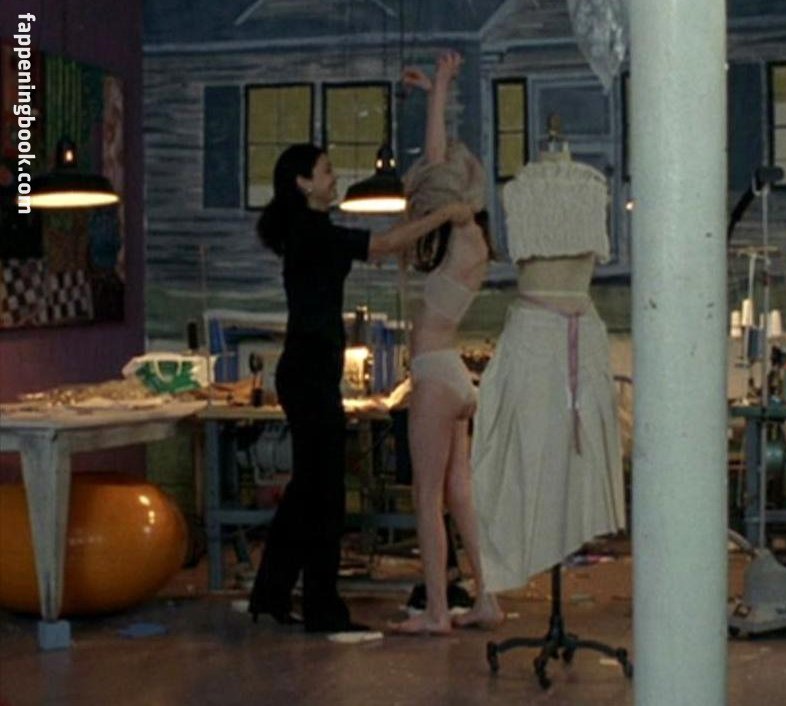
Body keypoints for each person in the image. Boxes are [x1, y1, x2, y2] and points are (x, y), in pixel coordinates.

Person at [249, 143, 472, 633]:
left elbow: (381, 247)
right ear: (303, 183)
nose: (334, 178)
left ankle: (270, 593)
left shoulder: (315, 229)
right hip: (308, 375)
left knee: (307, 491)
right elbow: (385, 245)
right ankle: (322, 609)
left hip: (310, 372)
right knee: (325, 496)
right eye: (326, 171)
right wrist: (445, 215)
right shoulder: (311, 232)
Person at [470, 136, 626, 593]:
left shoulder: (588, 186)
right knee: (524, 449)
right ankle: (525, 549)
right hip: (540, 332)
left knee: (571, 454)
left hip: (565, 331)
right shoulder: (522, 189)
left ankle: (559, 537)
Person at [388, 50, 503, 635]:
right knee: (460, 494)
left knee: (427, 497)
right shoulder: (472, 243)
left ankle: (437, 609)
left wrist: (442, 85)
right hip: (452, 373)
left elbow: (442, 179)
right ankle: (486, 598)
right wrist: (437, 91)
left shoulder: (461, 230)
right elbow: (440, 167)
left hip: (437, 375)